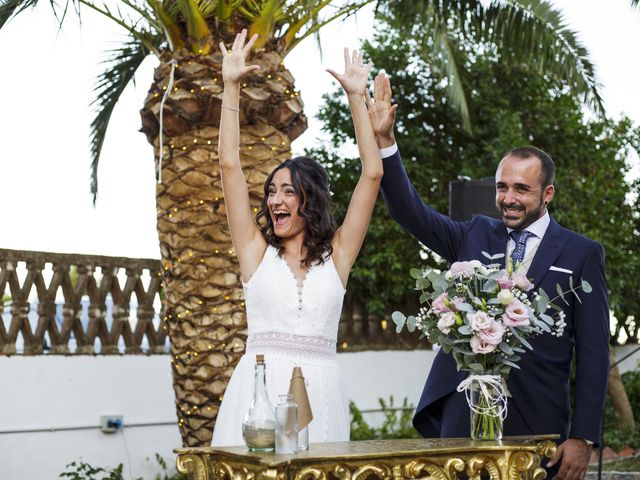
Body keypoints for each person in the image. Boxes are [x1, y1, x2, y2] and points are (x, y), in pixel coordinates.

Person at [368, 72, 609, 480]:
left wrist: (583, 437)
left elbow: (592, 354)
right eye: (502, 187)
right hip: (464, 418)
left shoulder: (582, 253)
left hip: (539, 424)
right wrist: (386, 144)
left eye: (521, 189)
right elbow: (411, 213)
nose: (509, 199)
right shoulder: (473, 232)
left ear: (546, 194)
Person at [211, 30, 383, 446]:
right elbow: (229, 165)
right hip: (258, 398)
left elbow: (372, 173)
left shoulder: (338, 256)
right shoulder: (256, 252)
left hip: (323, 397)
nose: (276, 199)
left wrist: (357, 98)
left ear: (311, 200)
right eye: (272, 191)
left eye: (288, 190)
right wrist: (230, 84)